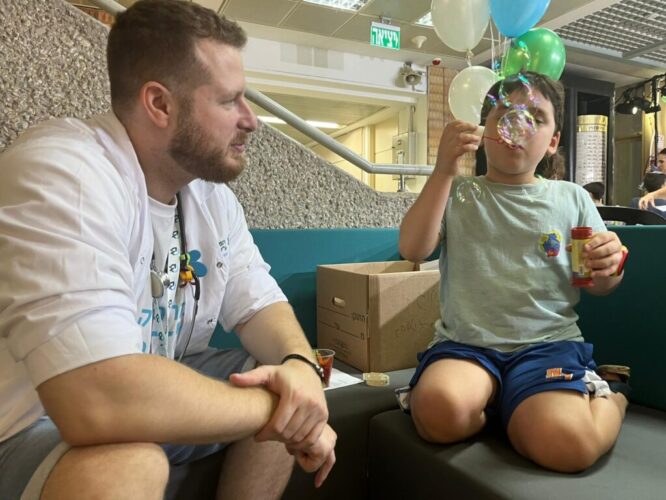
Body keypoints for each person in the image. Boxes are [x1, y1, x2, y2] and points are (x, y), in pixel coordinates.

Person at [0, 1, 335, 499]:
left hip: (138, 400)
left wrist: (299, 368)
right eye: (230, 101)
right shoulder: (61, 170)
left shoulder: (211, 197)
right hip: (32, 424)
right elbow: (96, 398)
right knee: (128, 466)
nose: (252, 121)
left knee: (276, 377)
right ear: (160, 104)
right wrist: (285, 411)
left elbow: (261, 304)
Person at [398, 72, 629, 473]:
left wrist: (610, 265)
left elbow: (599, 283)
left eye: (536, 118)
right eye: (505, 113)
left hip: (548, 346)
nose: (519, 126)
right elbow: (413, 249)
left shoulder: (570, 197)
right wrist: (443, 169)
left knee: (571, 447)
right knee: (438, 413)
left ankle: (615, 398)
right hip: (467, 346)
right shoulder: (459, 192)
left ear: (553, 141)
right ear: (486, 129)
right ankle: (512, 404)